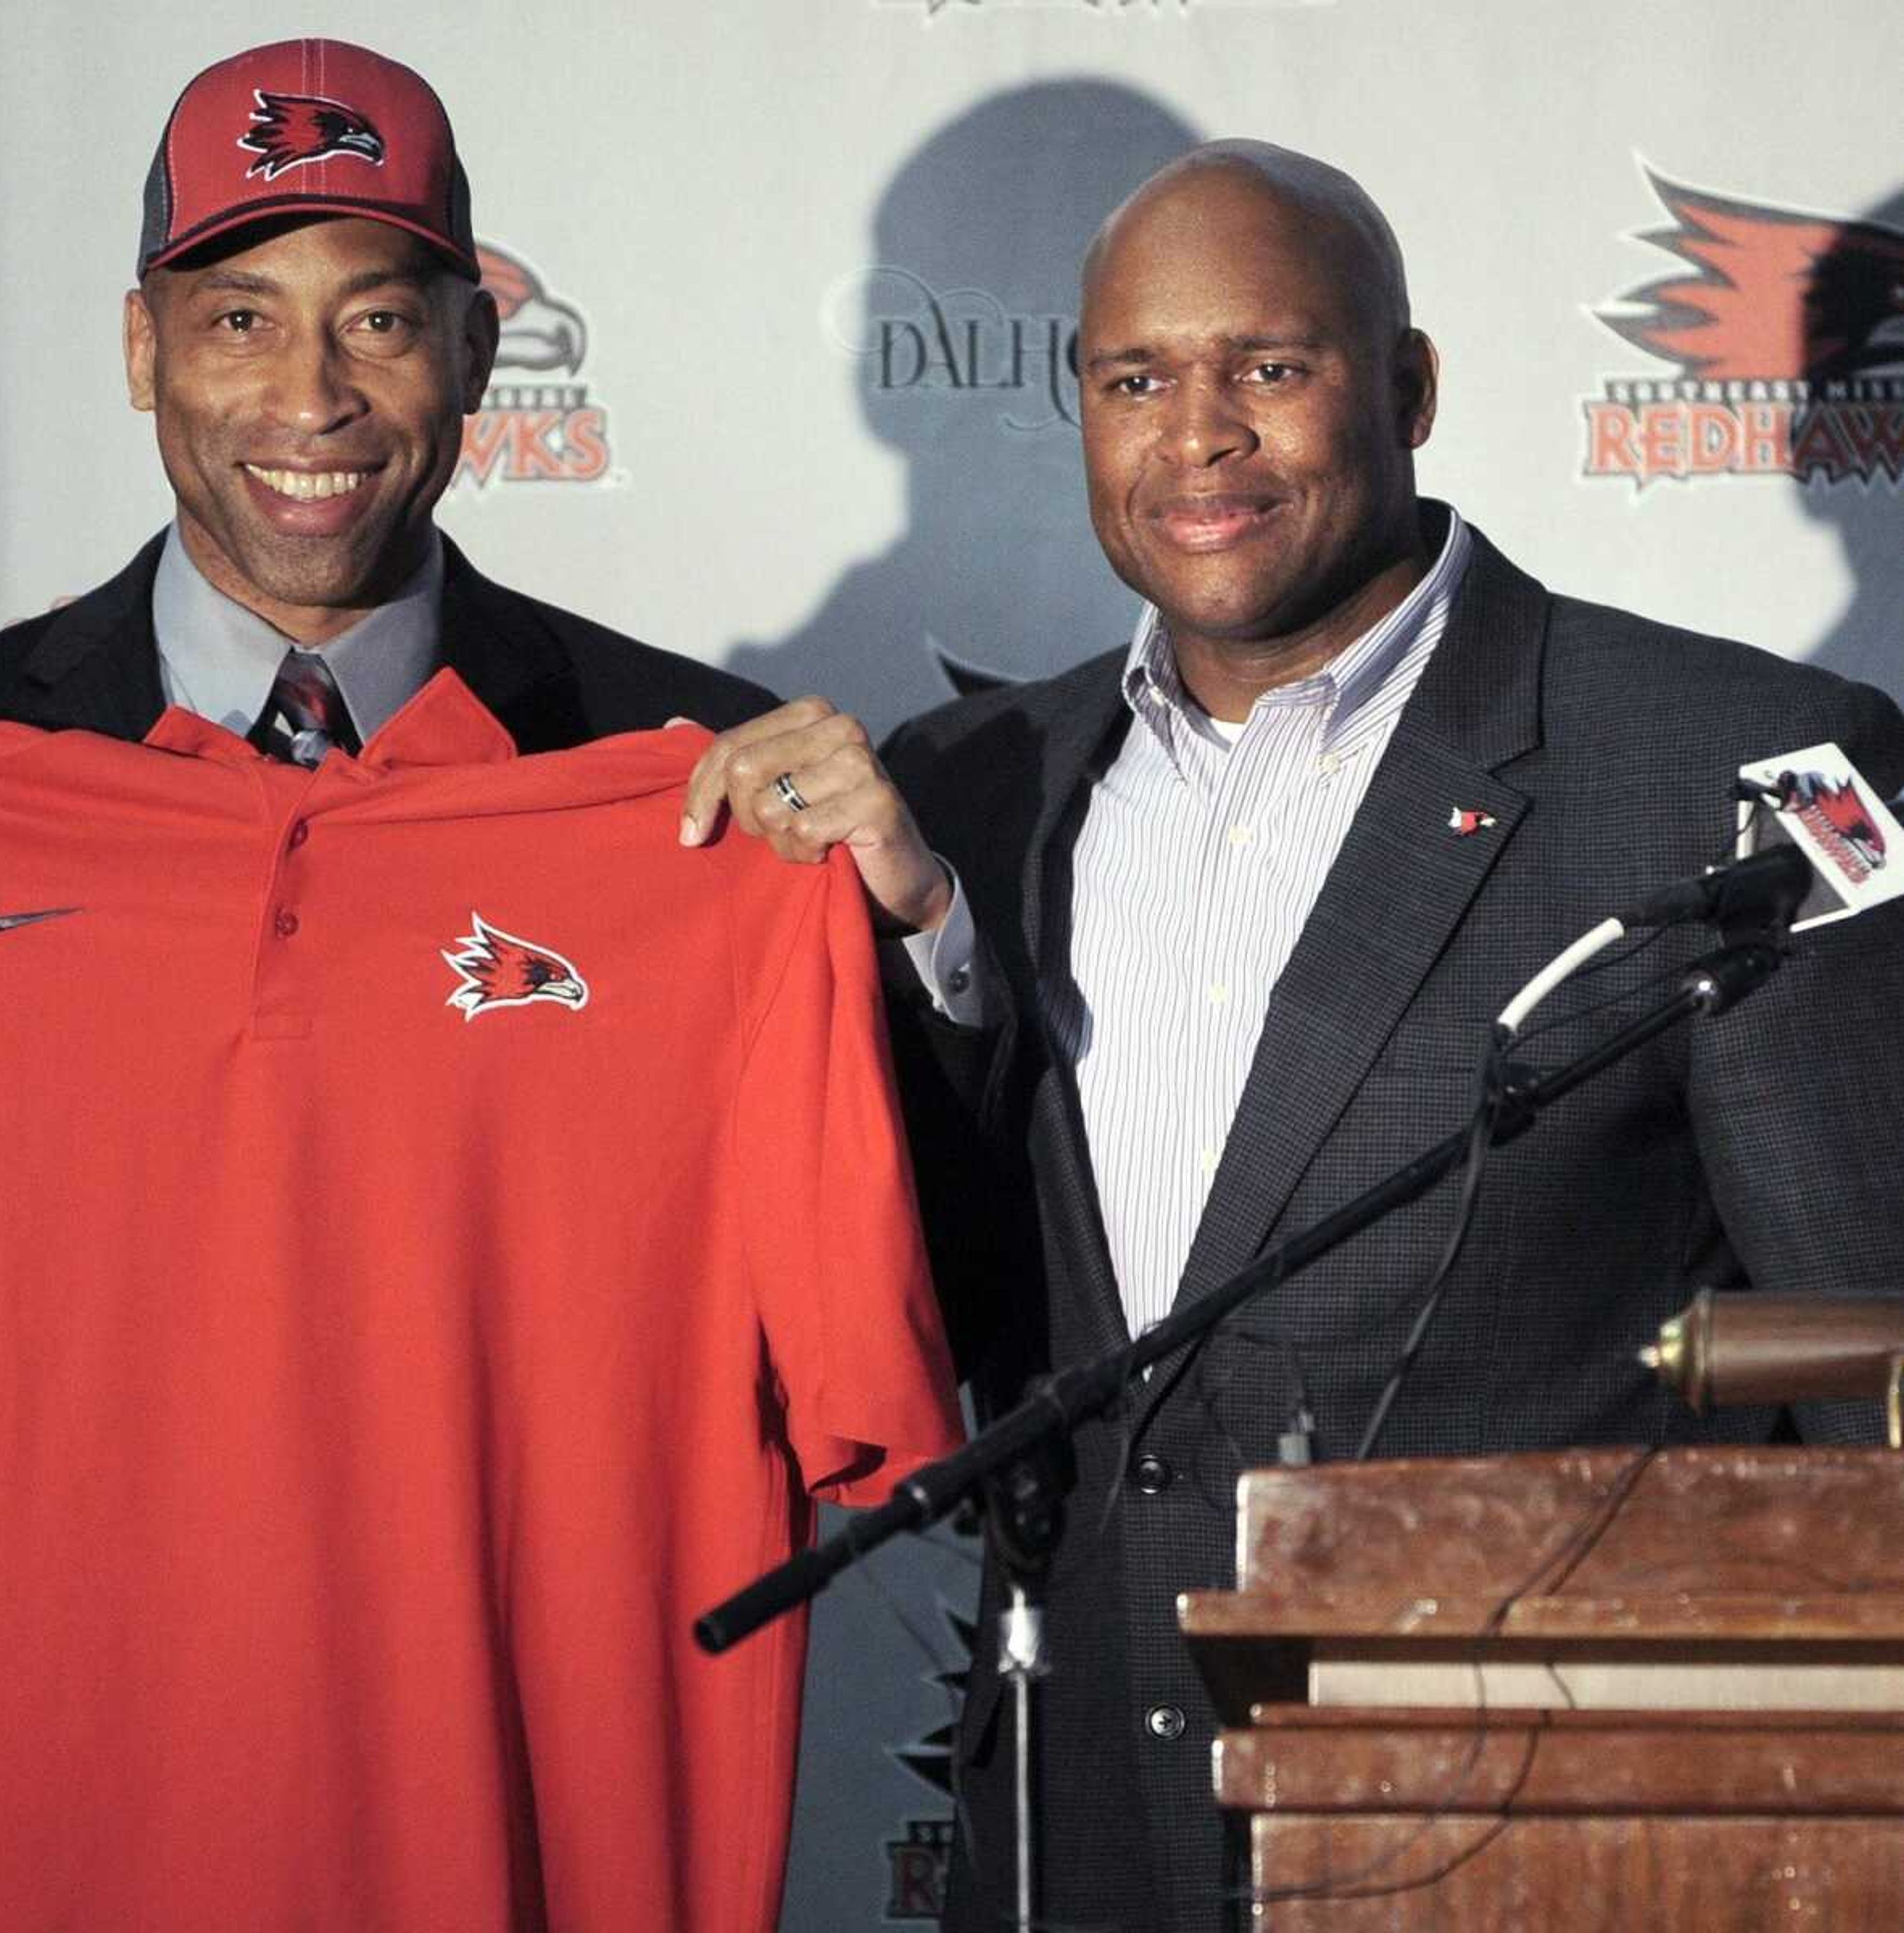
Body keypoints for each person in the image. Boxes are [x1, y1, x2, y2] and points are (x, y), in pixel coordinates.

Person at [685, 140, 1904, 1931]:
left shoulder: (1756, 766)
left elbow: (1868, 1360)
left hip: (1557, 1841)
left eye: (1272, 367)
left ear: (1405, 386)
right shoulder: (960, 790)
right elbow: (914, 1308)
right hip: (1084, 1820)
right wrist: (927, 940)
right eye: (1137, 380)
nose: (1202, 437)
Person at [0, 37, 772, 1276]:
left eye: (376, 320)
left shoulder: (681, 772)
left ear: (475, 355)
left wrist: (921, 940)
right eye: (238, 320)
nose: (312, 395)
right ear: (143, 353)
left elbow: (943, 1290)